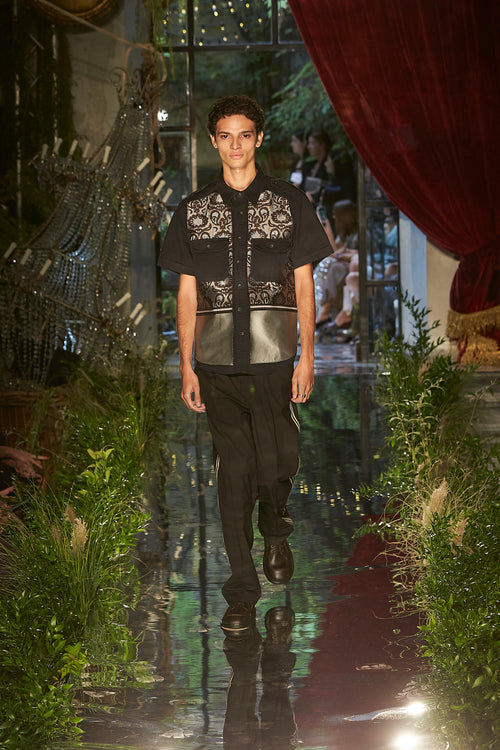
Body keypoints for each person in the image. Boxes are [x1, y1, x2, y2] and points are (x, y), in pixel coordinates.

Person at [158, 94, 331, 640]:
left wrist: (308, 356)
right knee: (234, 472)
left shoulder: (290, 203)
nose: (235, 145)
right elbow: (187, 295)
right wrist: (186, 365)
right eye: (225, 135)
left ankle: (275, 524)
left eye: (245, 134)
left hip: (274, 359)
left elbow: (304, 284)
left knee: (278, 458)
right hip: (216, 364)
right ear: (214, 141)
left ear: (259, 138)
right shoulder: (192, 210)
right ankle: (240, 590)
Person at [313, 199, 359, 331]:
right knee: (327, 264)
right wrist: (326, 228)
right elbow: (333, 251)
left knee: (333, 266)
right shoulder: (345, 235)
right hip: (345, 264)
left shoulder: (358, 235)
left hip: (352, 265)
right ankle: (321, 309)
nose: (333, 217)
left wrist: (343, 254)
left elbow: (337, 254)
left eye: (335, 214)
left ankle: (325, 308)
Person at [301, 130, 331, 205]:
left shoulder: (328, 165)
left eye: (312, 143)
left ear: (322, 145)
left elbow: (328, 185)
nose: (308, 147)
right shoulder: (312, 165)